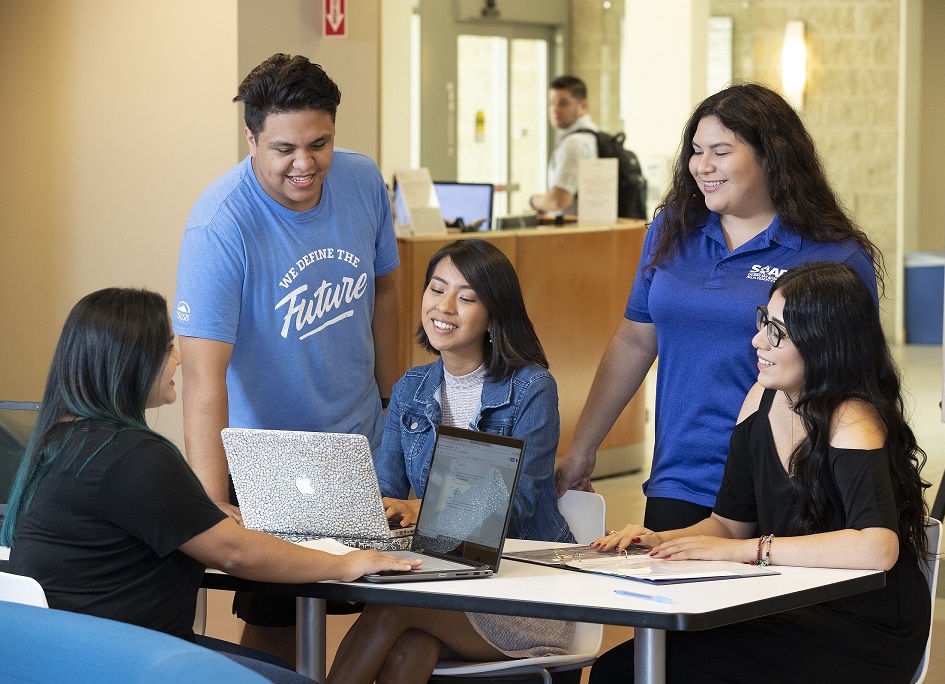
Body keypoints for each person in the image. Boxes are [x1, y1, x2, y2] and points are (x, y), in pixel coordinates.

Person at [1, 288, 419, 684]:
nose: (179, 358)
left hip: (64, 656)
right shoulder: (132, 456)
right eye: (167, 346)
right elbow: (235, 553)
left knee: (273, 666)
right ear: (128, 360)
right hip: (127, 661)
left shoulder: (58, 444)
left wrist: (200, 516)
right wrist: (347, 563)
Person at [555, 83, 883, 533]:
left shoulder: (832, 256)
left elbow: (859, 384)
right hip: (680, 478)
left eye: (721, 151)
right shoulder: (673, 229)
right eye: (696, 150)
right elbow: (634, 340)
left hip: (785, 485)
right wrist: (583, 448)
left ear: (772, 155)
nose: (702, 166)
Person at [590, 262, 931, 683]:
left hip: (858, 624)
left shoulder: (852, 418)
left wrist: (750, 550)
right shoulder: (761, 399)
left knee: (642, 671)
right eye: (764, 322)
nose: (757, 341)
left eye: (777, 332)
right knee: (620, 669)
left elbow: (877, 548)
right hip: (784, 606)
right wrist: (659, 541)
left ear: (823, 343)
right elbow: (729, 525)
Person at [172, 53, 402, 662]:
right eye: (283, 149)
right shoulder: (221, 223)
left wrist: (395, 400)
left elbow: (385, 291)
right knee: (278, 626)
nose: (304, 164)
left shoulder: (361, 181)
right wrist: (210, 501)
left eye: (319, 144)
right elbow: (202, 375)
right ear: (251, 139)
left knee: (396, 610)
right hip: (272, 463)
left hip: (362, 442)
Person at [328, 239, 574, 684]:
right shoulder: (411, 388)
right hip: (442, 579)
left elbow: (513, 508)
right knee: (410, 649)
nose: (444, 307)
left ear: (494, 314)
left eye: (466, 297)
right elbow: (388, 491)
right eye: (436, 289)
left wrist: (422, 510)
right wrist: (372, 510)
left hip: (524, 589)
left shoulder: (533, 387)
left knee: (389, 612)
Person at [529, 75, 598, 216]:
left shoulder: (574, 143)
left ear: (583, 105)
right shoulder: (592, 136)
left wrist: (533, 201)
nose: (555, 109)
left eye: (563, 103)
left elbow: (559, 200)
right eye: (551, 103)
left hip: (573, 232)